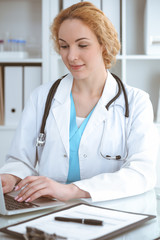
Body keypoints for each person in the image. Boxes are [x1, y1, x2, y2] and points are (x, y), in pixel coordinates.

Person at [0, 2, 158, 203]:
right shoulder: (41, 98)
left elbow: (141, 174)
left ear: (104, 44)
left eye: (82, 45)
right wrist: (11, 176)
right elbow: (20, 160)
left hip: (111, 212)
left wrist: (74, 190)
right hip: (48, 210)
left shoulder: (137, 102)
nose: (71, 56)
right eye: (64, 46)